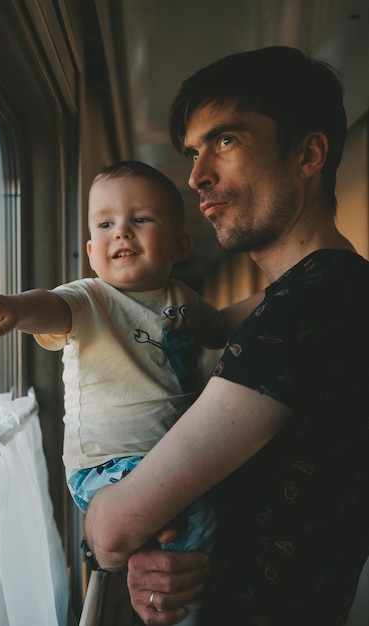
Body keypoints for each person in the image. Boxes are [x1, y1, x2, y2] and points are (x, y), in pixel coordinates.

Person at [82, 46, 369, 626]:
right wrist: (163, 560)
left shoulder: (312, 308)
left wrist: (115, 535)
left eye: (226, 141)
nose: (195, 176)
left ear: (308, 154)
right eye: (193, 152)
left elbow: (114, 530)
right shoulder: (304, 297)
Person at [0, 160, 261, 626]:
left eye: (140, 219)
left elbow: (223, 325)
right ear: (91, 249)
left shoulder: (181, 300)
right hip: (108, 464)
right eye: (106, 224)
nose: (121, 233)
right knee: (194, 521)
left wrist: (282, 293)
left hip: (167, 459)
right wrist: (14, 308)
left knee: (205, 517)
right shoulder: (91, 299)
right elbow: (50, 306)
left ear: (180, 244)